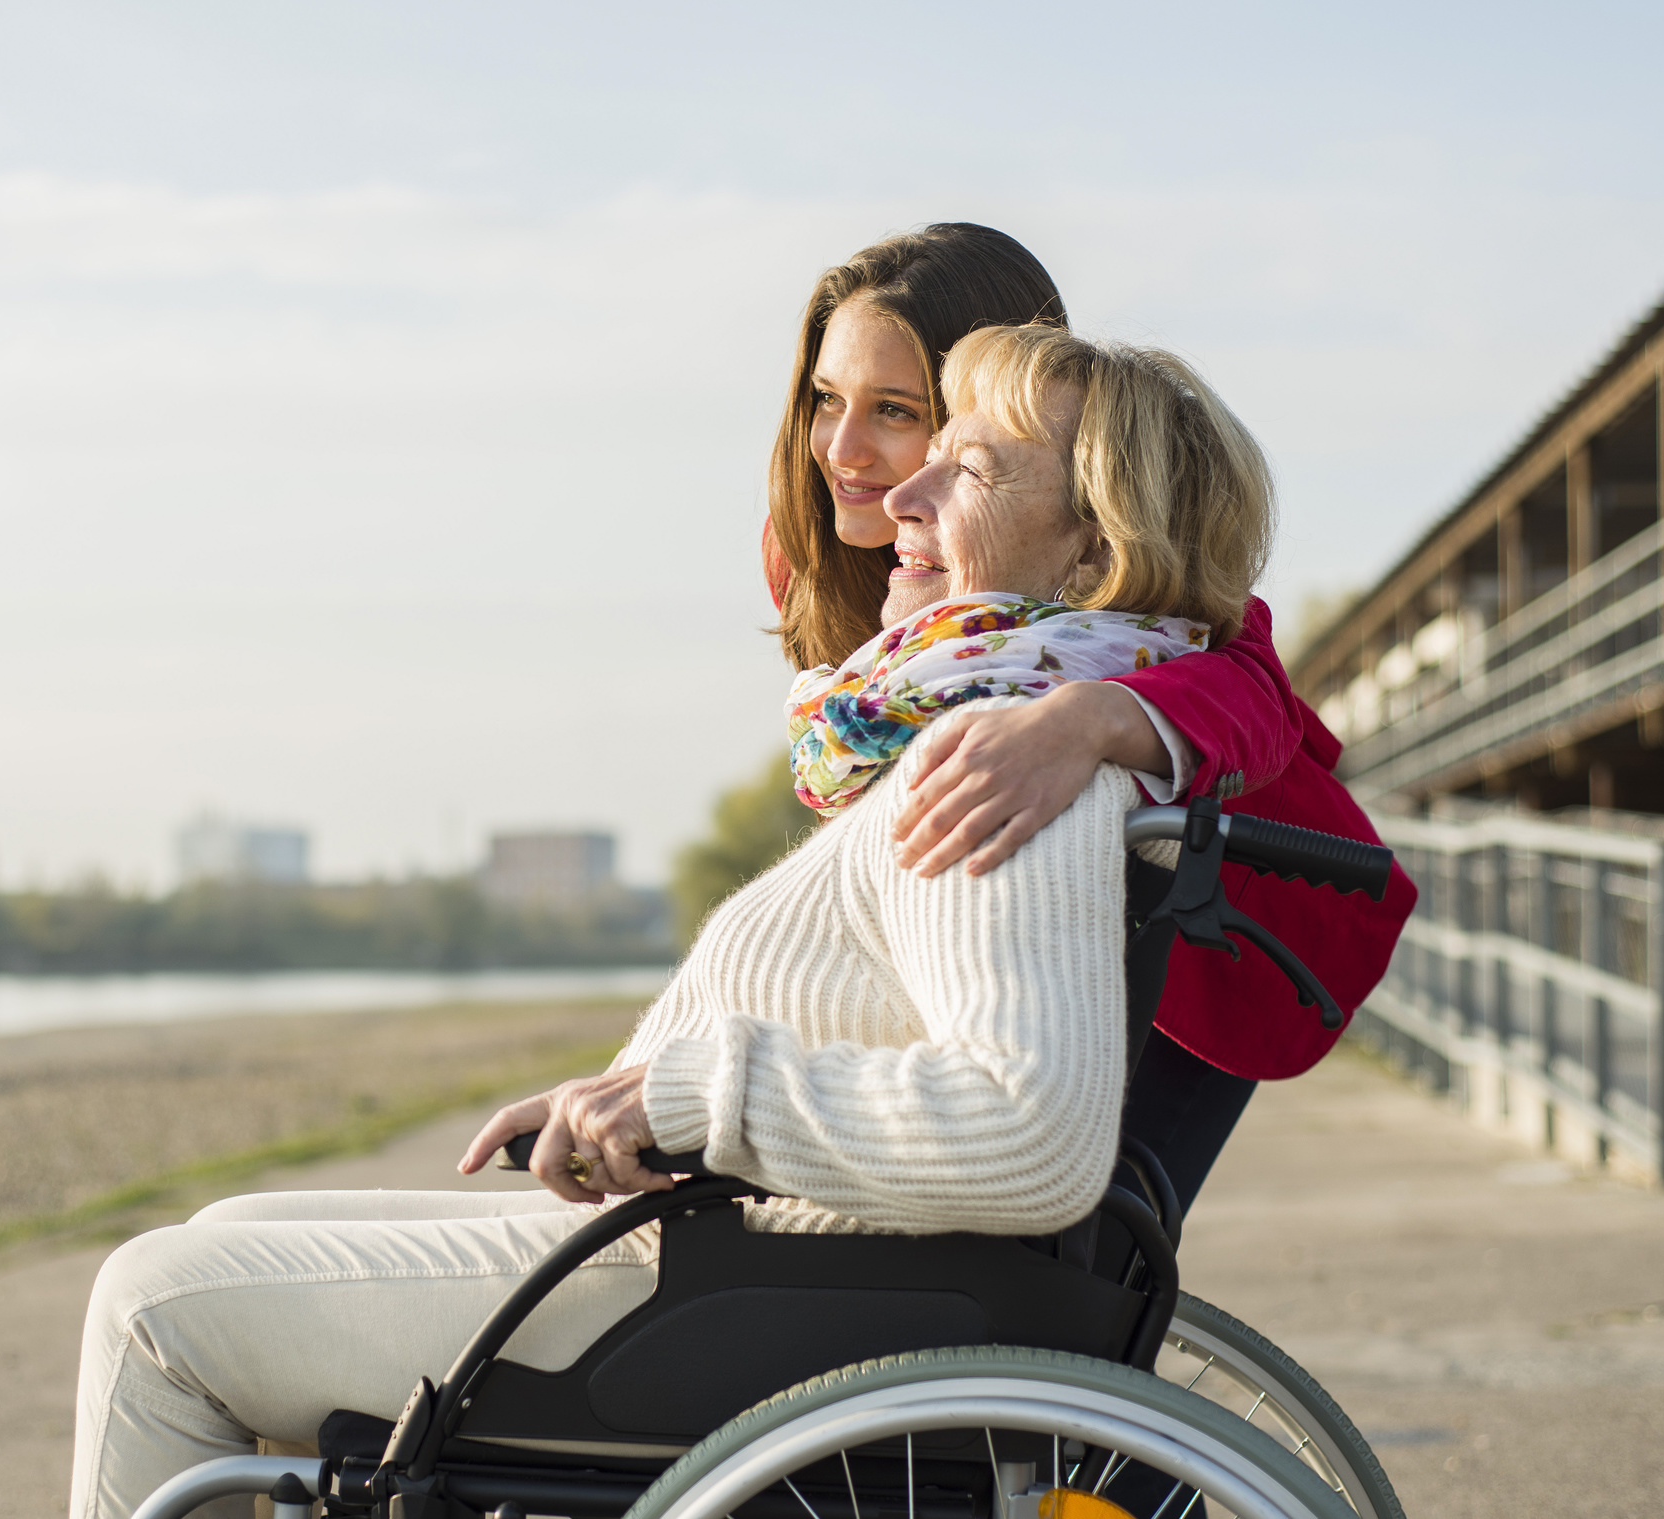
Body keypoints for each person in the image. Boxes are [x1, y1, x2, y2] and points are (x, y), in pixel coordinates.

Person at [68, 324, 1273, 1519]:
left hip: (763, 1285)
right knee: (228, 1225)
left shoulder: (1005, 755)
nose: (898, 489)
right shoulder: (1004, 724)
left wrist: (682, 1096)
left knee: (153, 1303)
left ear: (1089, 551)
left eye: (965, 467)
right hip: (761, 1257)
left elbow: (1026, 1133)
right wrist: (638, 1088)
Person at [757, 224, 1413, 1211]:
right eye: (824, 399)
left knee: (1093, 1259)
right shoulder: (806, 553)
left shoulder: (1126, 577)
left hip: (1203, 940)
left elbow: (1251, 699)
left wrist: (1089, 716)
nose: (847, 453)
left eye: (895, 412)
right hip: (1000, 920)